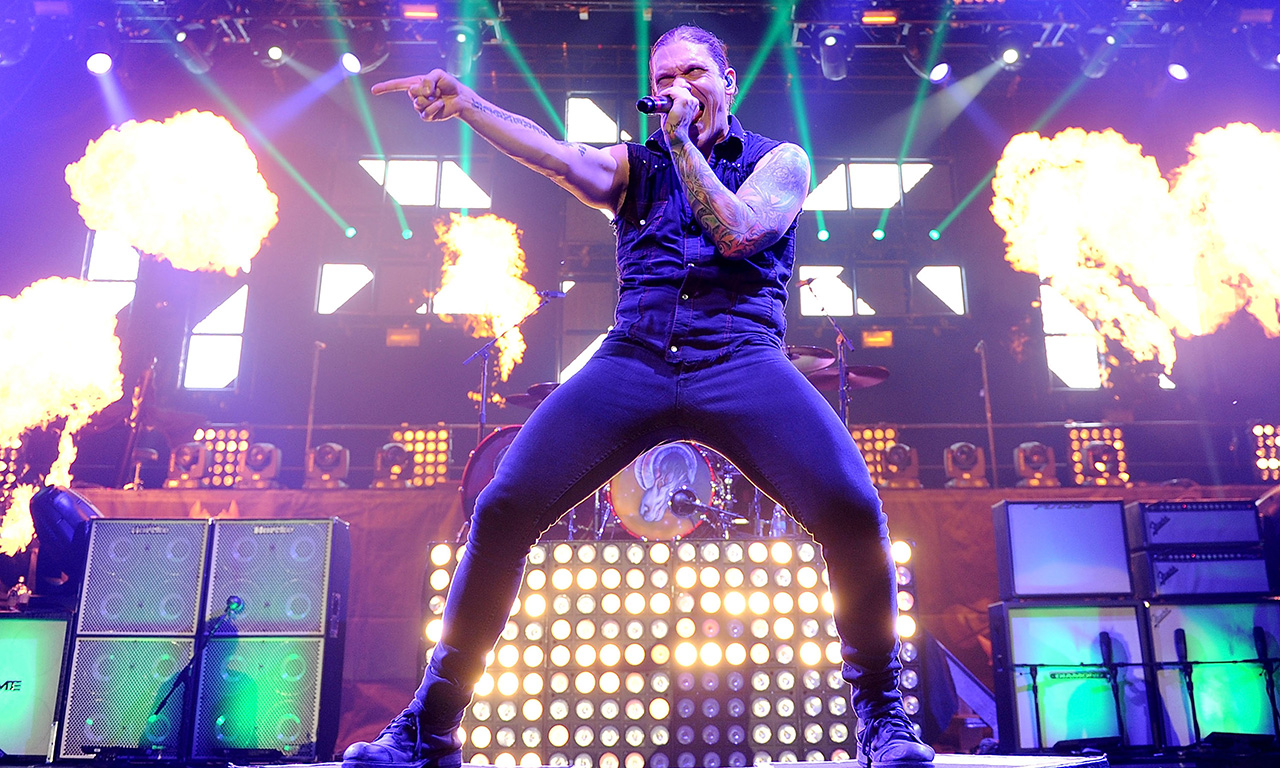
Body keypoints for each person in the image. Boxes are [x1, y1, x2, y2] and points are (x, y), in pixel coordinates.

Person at [345, 24, 935, 768]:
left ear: (728, 82)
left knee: (852, 508)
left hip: (741, 356)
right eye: (665, 79)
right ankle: (430, 726)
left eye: (695, 73)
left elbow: (739, 233)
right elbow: (554, 154)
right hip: (637, 354)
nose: (679, 88)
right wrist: (468, 105)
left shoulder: (779, 160)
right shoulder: (636, 166)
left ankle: (882, 718)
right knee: (502, 507)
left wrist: (684, 145)